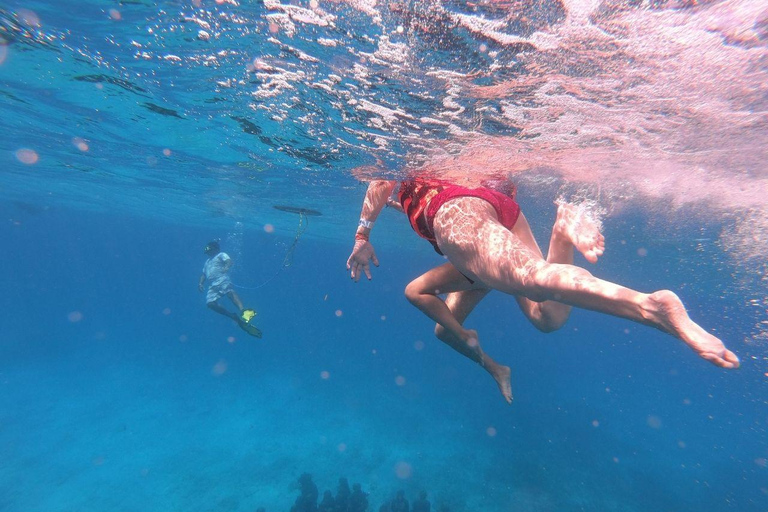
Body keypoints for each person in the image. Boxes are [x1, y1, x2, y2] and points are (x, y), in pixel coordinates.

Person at [346, 179, 740, 403]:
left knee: (531, 278)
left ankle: (649, 307)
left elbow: (379, 184)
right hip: (492, 212)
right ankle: (561, 231)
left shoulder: (414, 179)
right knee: (546, 317)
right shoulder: (420, 189)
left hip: (458, 215)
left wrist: (362, 235)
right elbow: (388, 193)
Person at [199, 240, 262, 338]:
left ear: (215, 248)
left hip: (221, 278)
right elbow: (203, 274)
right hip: (212, 284)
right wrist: (200, 283)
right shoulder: (207, 262)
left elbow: (229, 261)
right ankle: (233, 316)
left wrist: (227, 267)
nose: (207, 251)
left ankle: (243, 311)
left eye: (208, 249)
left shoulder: (221, 255)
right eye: (206, 250)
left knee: (229, 292)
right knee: (210, 303)